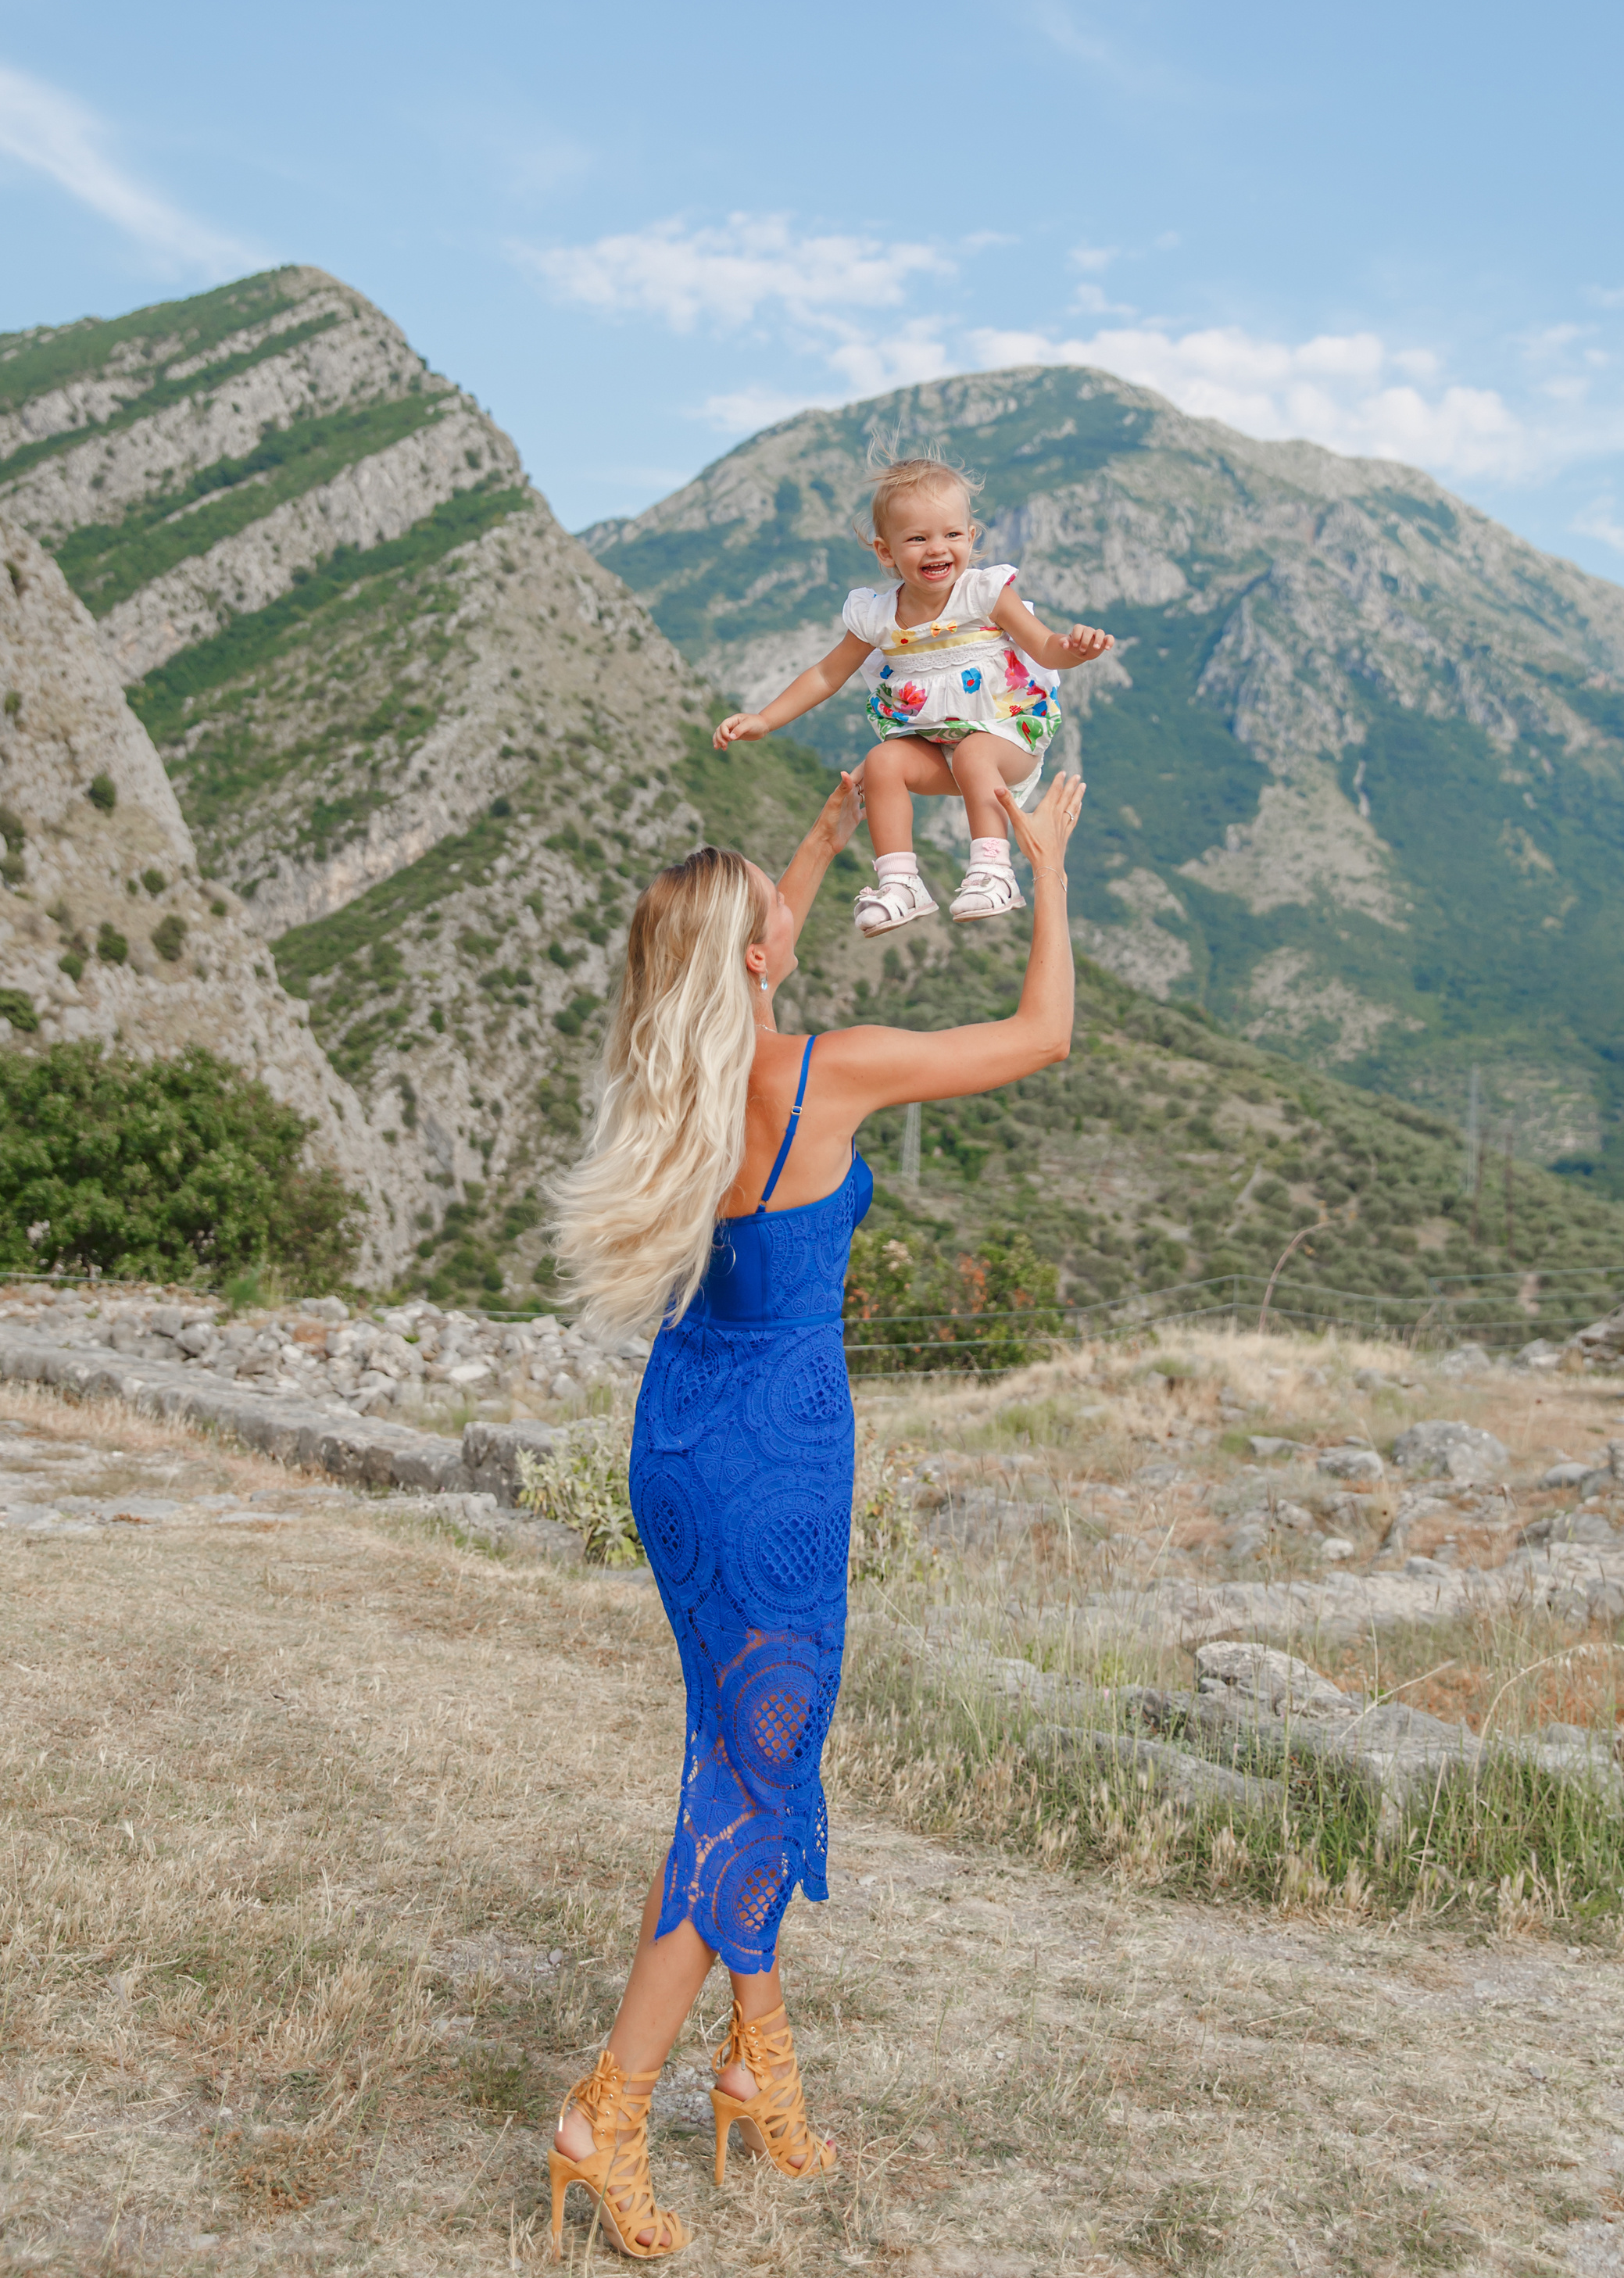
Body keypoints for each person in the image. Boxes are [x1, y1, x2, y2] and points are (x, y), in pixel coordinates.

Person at [544, 764, 1087, 2258]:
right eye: (776, 919)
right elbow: (1043, 1035)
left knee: (741, 1751)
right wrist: (1040, 862)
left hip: (678, 1438)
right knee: (744, 1783)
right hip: (780, 1456)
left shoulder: (680, 1082)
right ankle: (609, 2110)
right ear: (760, 960)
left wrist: (837, 832)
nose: (792, 922)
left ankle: (754, 2062)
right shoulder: (820, 1075)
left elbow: (746, 941)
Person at [712, 452, 1112, 936]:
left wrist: (1076, 650)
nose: (936, 548)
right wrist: (765, 719)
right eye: (918, 538)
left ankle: (994, 871)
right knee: (882, 762)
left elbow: (1046, 649)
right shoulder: (877, 617)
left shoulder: (984, 594)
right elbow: (826, 675)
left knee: (974, 754)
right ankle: (900, 884)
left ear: (971, 537)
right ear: (886, 552)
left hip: (1007, 736)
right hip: (935, 747)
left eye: (951, 535)